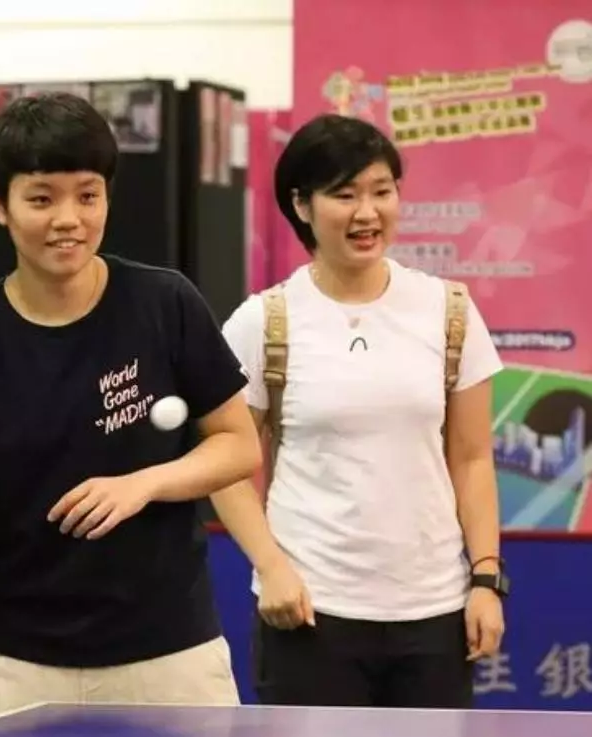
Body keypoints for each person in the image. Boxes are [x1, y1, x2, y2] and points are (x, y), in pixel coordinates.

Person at [0, 92, 262, 727]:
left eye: (88, 196)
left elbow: (238, 445)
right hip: (16, 661)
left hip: (171, 652)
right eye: (41, 199)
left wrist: (144, 484)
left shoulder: (166, 303)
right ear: (0, 206)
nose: (69, 219)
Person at [214, 113, 506, 708]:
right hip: (310, 611)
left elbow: (473, 458)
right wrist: (271, 567)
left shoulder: (448, 310)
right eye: (344, 195)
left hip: (434, 612)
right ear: (302, 205)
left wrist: (485, 578)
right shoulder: (264, 321)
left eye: (381, 191)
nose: (367, 213)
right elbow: (227, 464)